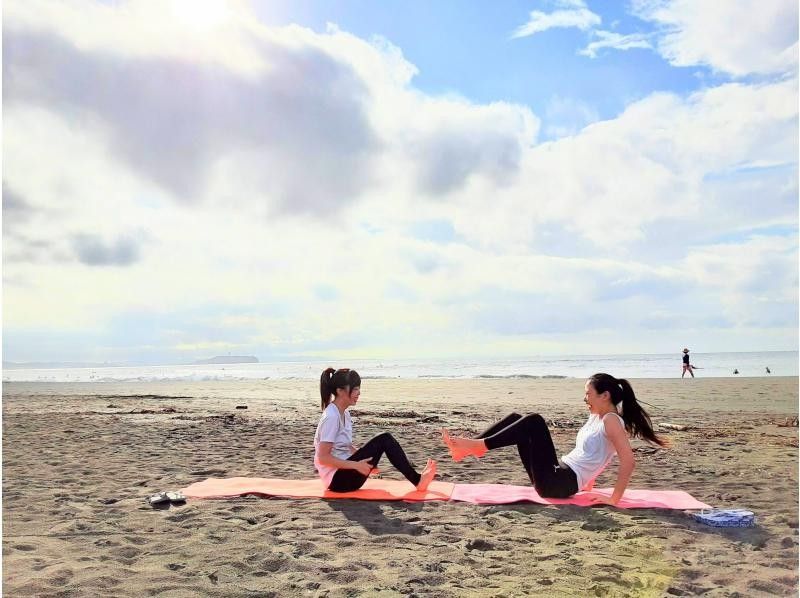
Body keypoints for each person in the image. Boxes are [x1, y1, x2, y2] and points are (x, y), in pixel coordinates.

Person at [441, 373, 668, 506]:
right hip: (557, 475)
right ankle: (475, 447)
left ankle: (478, 446)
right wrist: (589, 482)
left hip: (559, 482)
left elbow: (628, 461)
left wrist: (614, 499)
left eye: (588, 393)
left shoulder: (611, 421)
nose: (585, 398)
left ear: (604, 395)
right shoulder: (597, 417)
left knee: (535, 421)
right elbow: (594, 455)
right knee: (517, 419)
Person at [314, 368, 437, 493]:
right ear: (340, 391)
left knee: (384, 440)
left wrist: (369, 460)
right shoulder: (331, 417)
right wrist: (357, 465)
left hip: (345, 475)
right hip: (338, 481)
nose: (359, 393)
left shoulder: (344, 413)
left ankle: (416, 478)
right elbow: (323, 458)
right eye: (355, 388)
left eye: (358, 388)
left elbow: (345, 446)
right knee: (385, 439)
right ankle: (418, 480)